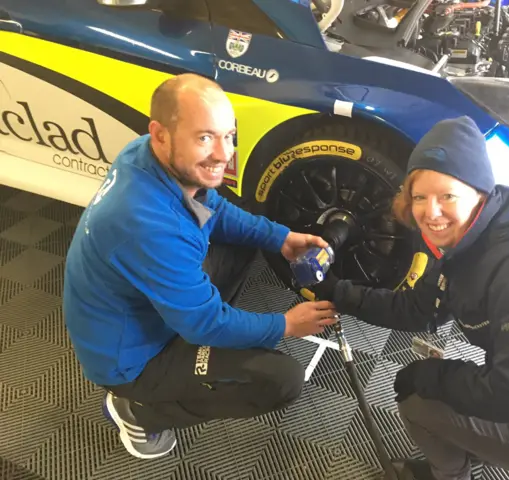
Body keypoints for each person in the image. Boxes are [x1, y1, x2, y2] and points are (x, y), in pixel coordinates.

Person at [307, 116, 509, 480]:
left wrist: (436, 377)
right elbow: (419, 309)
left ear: (479, 191)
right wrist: (336, 291)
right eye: (419, 197)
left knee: (419, 402)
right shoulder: (470, 236)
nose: (430, 212)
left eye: (447, 195)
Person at [63, 73, 338, 460]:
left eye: (228, 136)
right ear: (160, 134)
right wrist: (285, 326)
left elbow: (211, 208)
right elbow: (205, 324)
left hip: (143, 310)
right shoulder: (147, 224)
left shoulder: (147, 156)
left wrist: (280, 237)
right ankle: (138, 412)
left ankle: (191, 331)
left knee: (248, 240)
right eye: (205, 137)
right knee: (280, 380)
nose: (224, 154)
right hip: (131, 360)